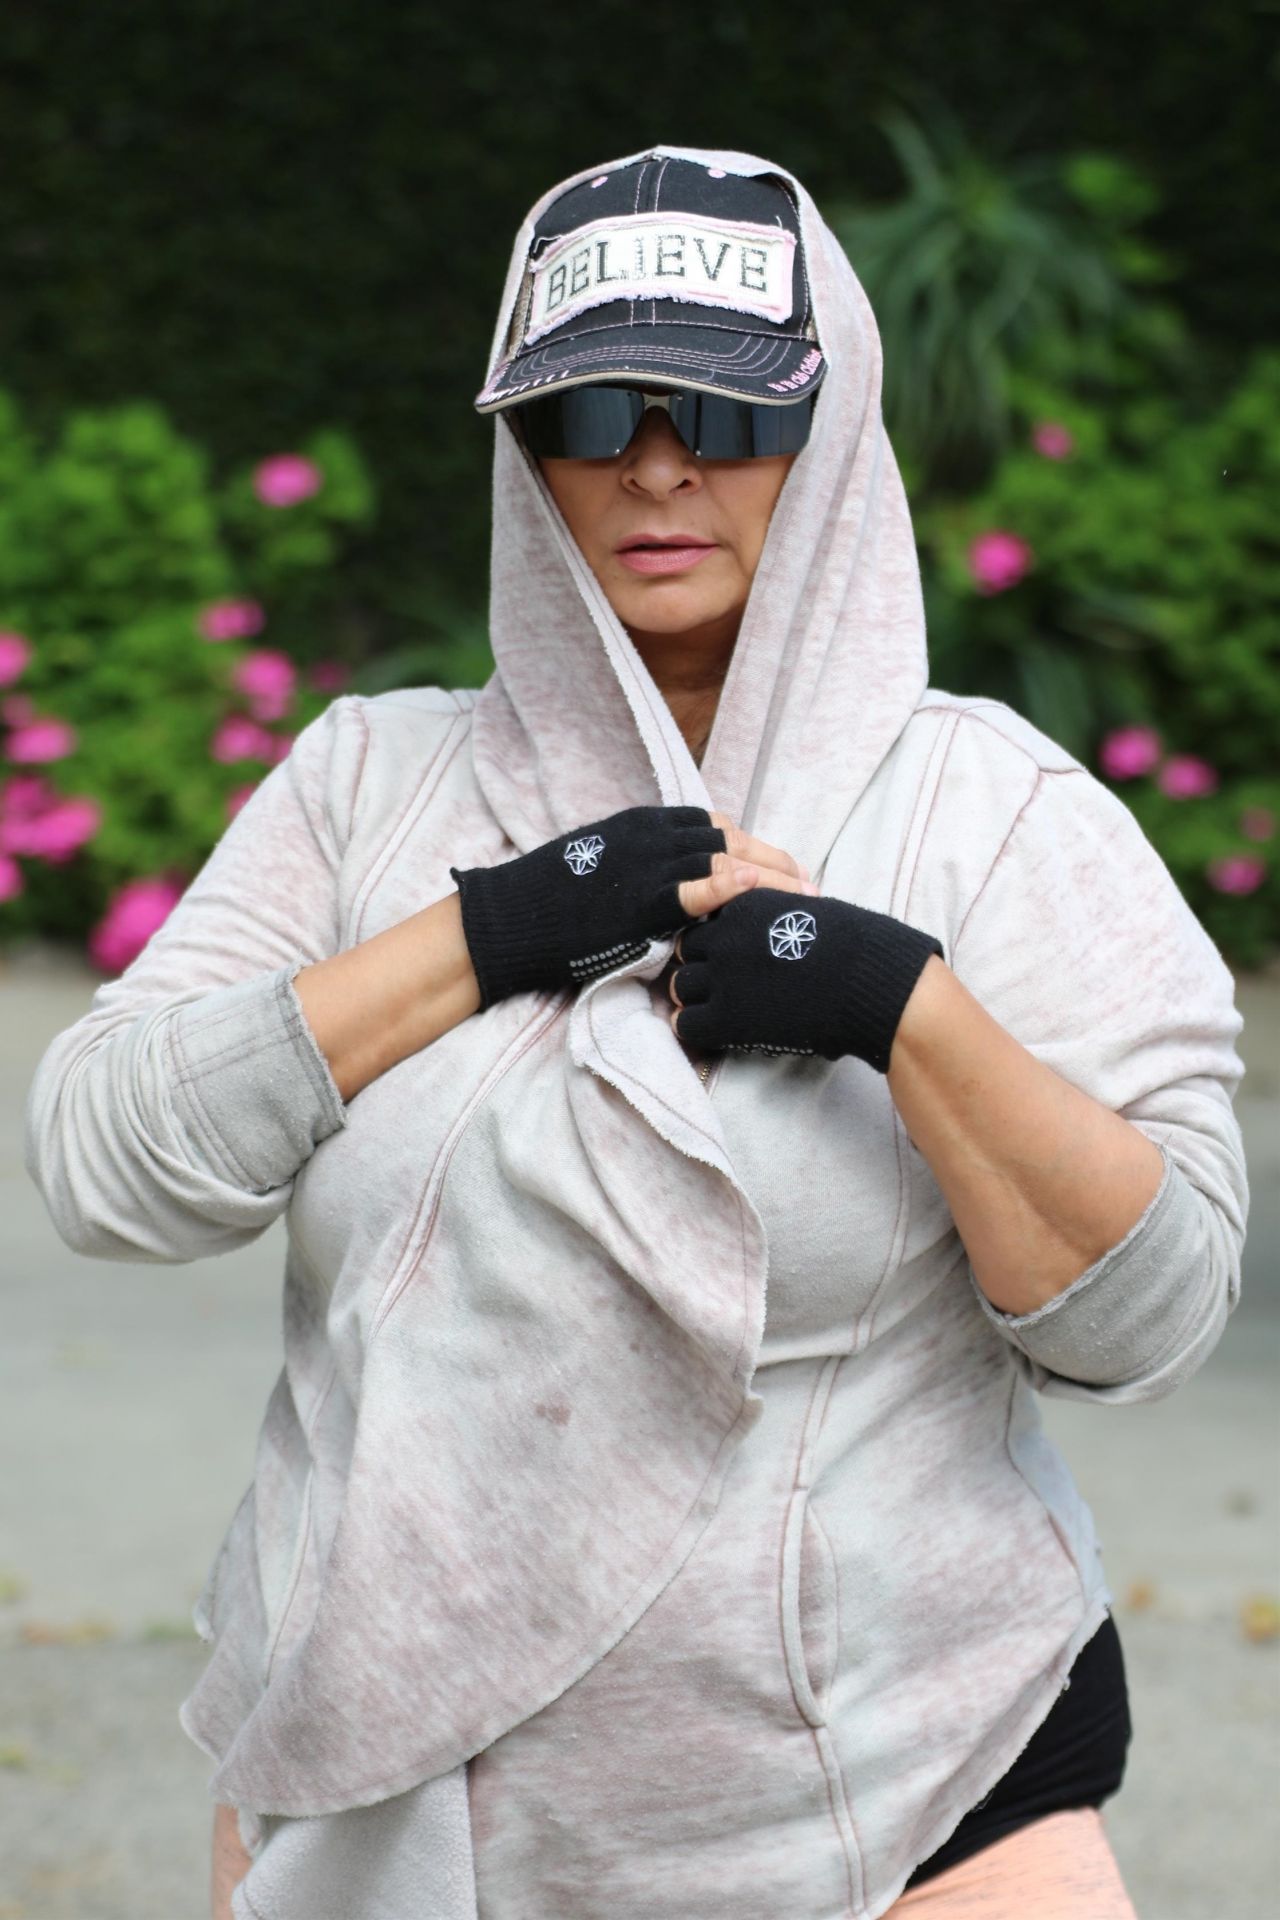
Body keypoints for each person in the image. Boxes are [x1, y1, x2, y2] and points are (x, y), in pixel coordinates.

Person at [24, 146, 1248, 1920]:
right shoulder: (370, 781)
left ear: (826, 433)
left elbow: (1153, 1307)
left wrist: (893, 1001)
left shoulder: (997, 811)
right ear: (526, 452)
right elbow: (104, 1161)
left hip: (923, 1787)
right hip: (392, 1804)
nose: (655, 464)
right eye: (592, 407)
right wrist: (494, 926)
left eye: (722, 412)